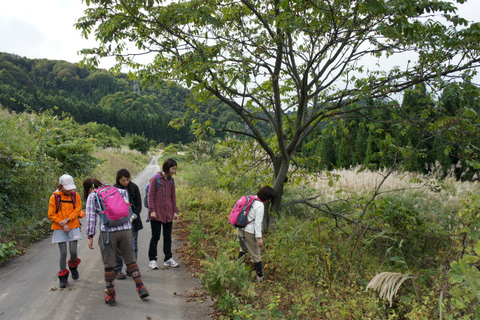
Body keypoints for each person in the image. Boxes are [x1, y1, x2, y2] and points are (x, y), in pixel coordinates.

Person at [84, 177, 149, 306]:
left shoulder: (93, 196)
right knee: (131, 261)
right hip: (125, 230)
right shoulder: (117, 190)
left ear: (89, 188)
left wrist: (90, 236)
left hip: (108, 233)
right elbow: (127, 208)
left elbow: (91, 218)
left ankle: (111, 295)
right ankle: (140, 287)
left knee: (109, 265)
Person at [47, 174, 82, 288]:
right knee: (63, 253)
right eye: (67, 188)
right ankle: (63, 277)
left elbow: (78, 209)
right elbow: (51, 214)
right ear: (61, 186)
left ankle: (73, 266)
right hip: (59, 227)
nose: (69, 190)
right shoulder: (54, 197)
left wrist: (67, 220)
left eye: (70, 187)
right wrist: (62, 222)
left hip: (73, 226)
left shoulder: (75, 195)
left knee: (73, 251)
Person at [237, 186, 275, 282]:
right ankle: (260, 278)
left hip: (240, 229)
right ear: (267, 197)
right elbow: (257, 224)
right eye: (270, 198)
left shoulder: (251, 199)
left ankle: (236, 271)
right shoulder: (260, 206)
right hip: (249, 232)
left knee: (243, 249)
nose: (270, 200)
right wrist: (259, 238)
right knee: (256, 254)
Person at [148, 158, 180, 269]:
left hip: (168, 213)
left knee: (167, 237)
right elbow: (150, 196)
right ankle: (152, 259)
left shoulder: (171, 181)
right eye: (172, 169)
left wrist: (175, 211)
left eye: (175, 169)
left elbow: (173, 197)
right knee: (155, 237)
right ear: (167, 168)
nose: (174, 171)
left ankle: (168, 259)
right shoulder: (155, 179)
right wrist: (152, 210)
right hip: (156, 213)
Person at [113, 168, 143, 279]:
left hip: (133, 221)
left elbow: (139, 205)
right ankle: (118, 269)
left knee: (133, 245)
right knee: (118, 247)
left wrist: (134, 216)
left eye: (127, 180)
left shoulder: (134, 187)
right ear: (118, 180)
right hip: (119, 222)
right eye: (123, 180)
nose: (126, 182)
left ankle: (131, 268)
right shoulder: (114, 189)